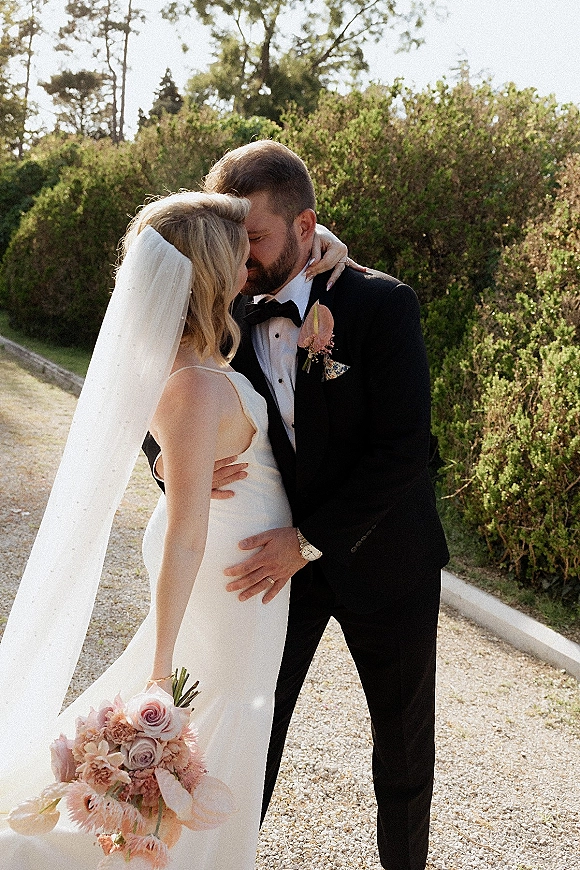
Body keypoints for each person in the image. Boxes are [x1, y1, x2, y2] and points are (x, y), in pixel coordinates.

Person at [0, 191, 347, 869]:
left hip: (240, 574)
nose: (251, 261)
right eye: (239, 251)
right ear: (212, 270)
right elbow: (187, 531)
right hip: (224, 577)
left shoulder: (195, 360)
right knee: (197, 729)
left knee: (222, 730)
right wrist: (160, 665)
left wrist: (324, 240)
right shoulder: (191, 381)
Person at [146, 140, 450, 870]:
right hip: (270, 574)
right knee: (251, 732)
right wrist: (171, 469)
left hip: (387, 560)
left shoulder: (380, 303)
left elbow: (408, 451)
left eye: (254, 239)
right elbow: (165, 396)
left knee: (403, 752)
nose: (242, 258)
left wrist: (308, 537)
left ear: (306, 225)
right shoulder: (227, 304)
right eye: (233, 240)